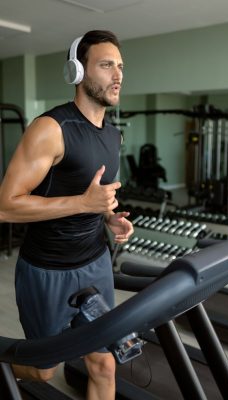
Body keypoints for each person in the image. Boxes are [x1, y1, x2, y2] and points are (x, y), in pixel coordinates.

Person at [0, 30, 133, 400]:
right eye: (106, 65)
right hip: (48, 271)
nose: (118, 75)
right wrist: (82, 204)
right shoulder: (51, 129)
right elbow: (5, 205)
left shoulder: (113, 135)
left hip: (95, 262)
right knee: (43, 371)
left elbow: (98, 196)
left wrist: (110, 218)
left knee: (105, 364)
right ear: (78, 71)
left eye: (120, 66)